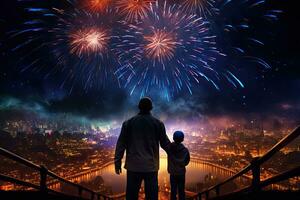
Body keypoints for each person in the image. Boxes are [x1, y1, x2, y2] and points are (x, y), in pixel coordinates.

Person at [114, 97, 170, 200]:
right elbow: (166, 144)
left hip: (133, 167)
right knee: (152, 196)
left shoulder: (128, 123)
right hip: (151, 167)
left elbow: (121, 144)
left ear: (139, 107)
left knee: (131, 196)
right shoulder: (158, 124)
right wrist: (178, 153)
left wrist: (117, 161)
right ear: (151, 108)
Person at [167, 131, 190, 200]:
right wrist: (181, 164)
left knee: (173, 191)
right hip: (181, 173)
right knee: (181, 190)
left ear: (173, 138)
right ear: (182, 139)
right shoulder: (185, 150)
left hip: (173, 173)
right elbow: (187, 161)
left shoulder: (170, 149)